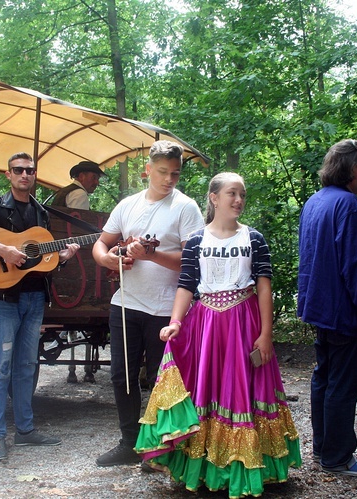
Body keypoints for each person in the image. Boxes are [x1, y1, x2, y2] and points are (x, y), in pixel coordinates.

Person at [134, 172, 301, 497]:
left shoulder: (254, 239)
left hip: (243, 325)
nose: (238, 200)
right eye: (232, 194)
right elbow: (186, 286)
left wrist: (266, 334)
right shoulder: (196, 240)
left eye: (242, 194)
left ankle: (246, 470)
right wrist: (175, 322)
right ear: (214, 198)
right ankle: (204, 469)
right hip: (206, 327)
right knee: (204, 390)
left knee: (242, 392)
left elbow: (264, 289)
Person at [0, 152, 80, 461]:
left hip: (35, 298)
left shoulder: (41, 214)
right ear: (8, 174)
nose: (25, 174)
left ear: (35, 175)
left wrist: (62, 259)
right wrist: (1, 249)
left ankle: (25, 431)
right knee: (2, 368)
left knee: (27, 366)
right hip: (5, 300)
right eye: (18, 170)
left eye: (30, 170)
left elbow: (42, 261)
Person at [91, 140, 204, 467]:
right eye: (163, 172)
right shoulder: (128, 205)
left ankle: (157, 449)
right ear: (147, 171)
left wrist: (153, 253)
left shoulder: (186, 208)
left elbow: (192, 261)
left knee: (162, 378)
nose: (169, 179)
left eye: (175, 174)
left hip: (166, 309)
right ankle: (128, 443)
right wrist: (108, 261)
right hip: (125, 303)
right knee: (121, 376)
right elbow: (101, 244)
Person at [297, 139, 357, 477]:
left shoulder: (315, 202)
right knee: (343, 384)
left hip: (322, 309)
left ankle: (323, 450)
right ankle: (338, 457)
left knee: (325, 378)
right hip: (346, 314)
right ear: (350, 169)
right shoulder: (347, 205)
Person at [50, 160, 106, 384]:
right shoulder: (78, 195)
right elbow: (81, 223)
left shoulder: (65, 192)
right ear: (82, 176)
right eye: (94, 177)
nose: (96, 182)